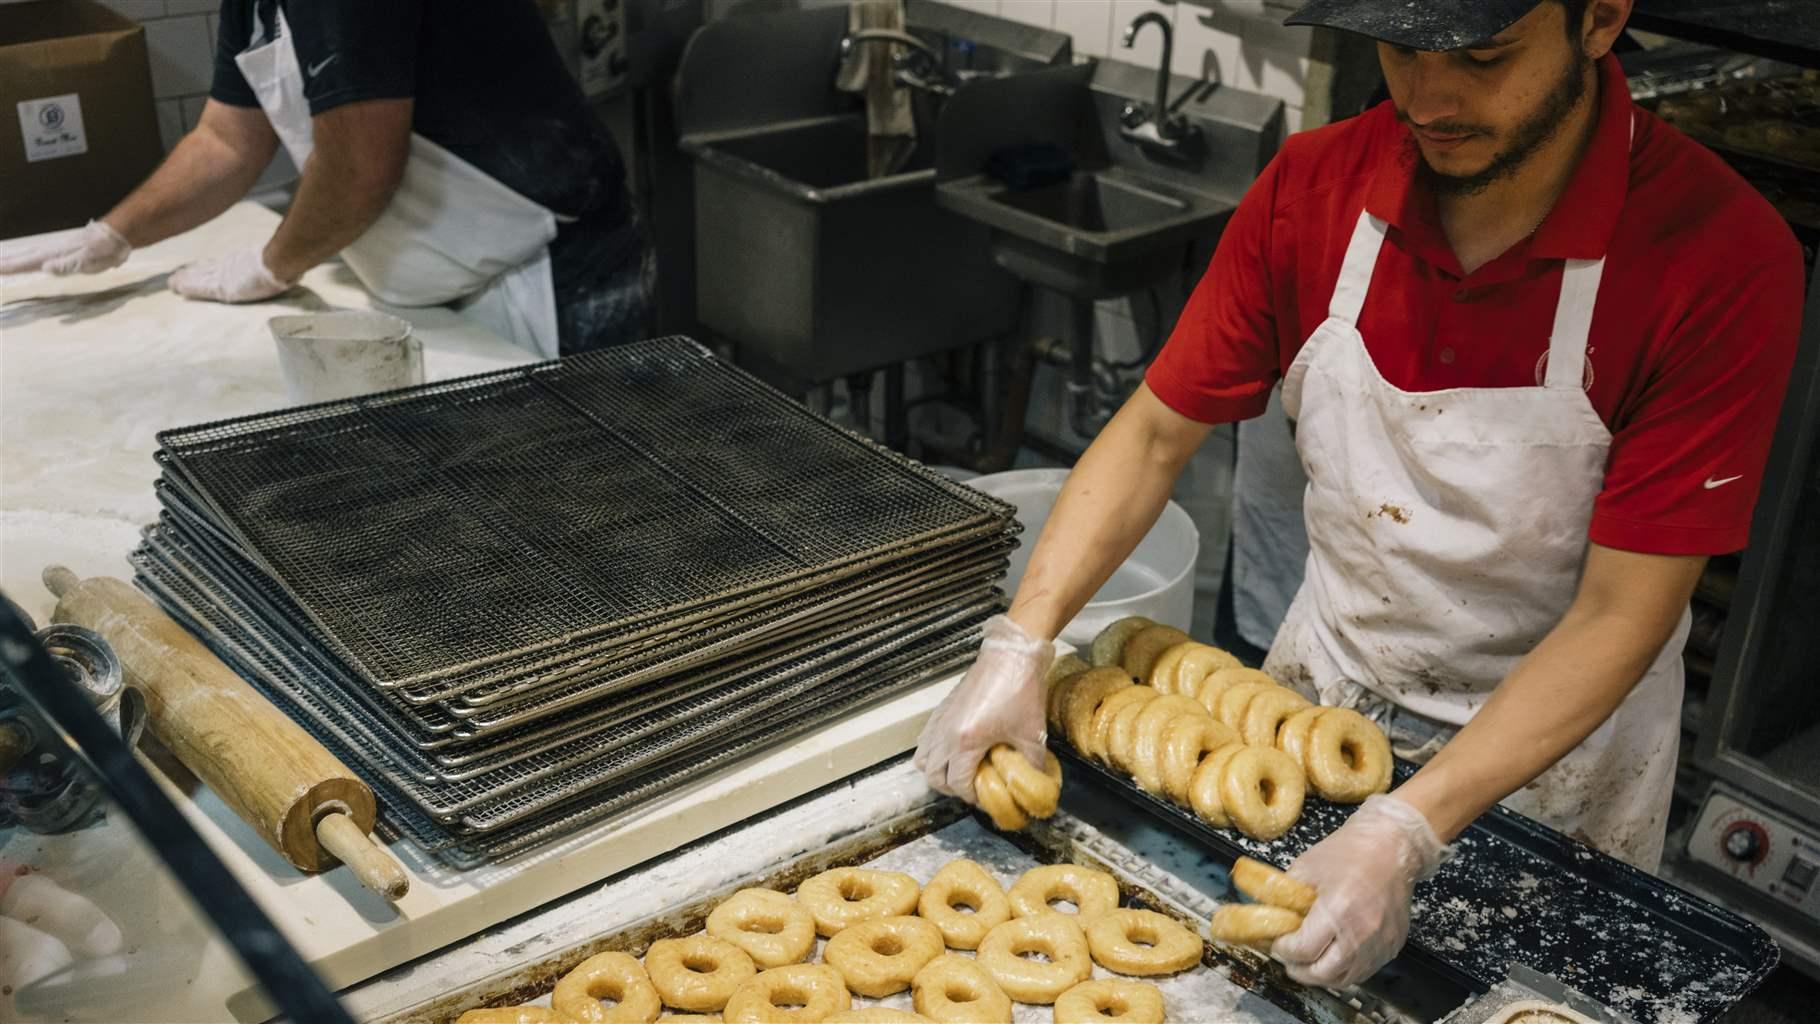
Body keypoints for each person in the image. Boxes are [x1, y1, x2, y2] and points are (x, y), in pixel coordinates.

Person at [915, 0, 1805, 991]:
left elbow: (1621, 612)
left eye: (1480, 53)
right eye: (1399, 48)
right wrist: (1022, 637)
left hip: (1561, 779)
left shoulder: (1717, 255)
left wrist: (1404, 826)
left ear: (1598, 19)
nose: (1427, 94)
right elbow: (1155, 431)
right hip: (1316, 707)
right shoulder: (1314, 187)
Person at [0, 0, 646, 358]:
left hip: (550, 278)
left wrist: (273, 265)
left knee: (585, 515)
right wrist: (112, 235)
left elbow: (362, 164)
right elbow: (227, 140)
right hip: (439, 279)